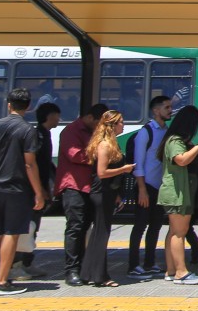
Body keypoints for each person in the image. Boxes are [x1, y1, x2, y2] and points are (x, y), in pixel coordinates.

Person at [0, 88, 45, 296]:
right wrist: (38, 192)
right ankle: (2, 281)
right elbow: (29, 165)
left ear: (9, 104)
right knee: (12, 233)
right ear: (29, 106)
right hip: (17, 187)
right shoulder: (28, 130)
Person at [128, 95, 198, 275]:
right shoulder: (146, 132)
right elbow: (139, 162)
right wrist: (142, 189)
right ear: (156, 110)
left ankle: (150, 262)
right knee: (140, 225)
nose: (170, 111)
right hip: (146, 185)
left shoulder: (167, 131)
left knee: (156, 226)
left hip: (161, 185)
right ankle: (133, 264)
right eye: (167, 108)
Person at [80, 110, 134, 287]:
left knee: (98, 234)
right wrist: (124, 169)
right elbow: (102, 173)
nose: (123, 125)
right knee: (101, 234)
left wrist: (117, 193)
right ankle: (100, 276)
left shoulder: (111, 143)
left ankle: (88, 272)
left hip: (108, 192)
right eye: (121, 122)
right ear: (112, 125)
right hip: (101, 193)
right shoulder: (104, 145)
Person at [56, 103, 106, 286]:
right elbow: (75, 155)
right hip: (74, 185)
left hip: (90, 186)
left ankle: (85, 267)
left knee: (87, 226)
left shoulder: (94, 132)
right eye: (99, 123)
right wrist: (101, 156)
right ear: (91, 118)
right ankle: (71, 270)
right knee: (75, 227)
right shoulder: (71, 131)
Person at [158, 105, 198, 285]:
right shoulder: (174, 140)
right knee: (180, 232)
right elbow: (181, 159)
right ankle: (181, 272)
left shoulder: (172, 140)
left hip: (178, 191)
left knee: (173, 231)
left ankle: (171, 270)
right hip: (177, 192)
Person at [14, 101, 60, 280]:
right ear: (50, 116)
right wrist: (39, 189)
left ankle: (26, 262)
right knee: (27, 227)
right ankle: (16, 265)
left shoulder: (44, 134)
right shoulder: (37, 135)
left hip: (39, 187)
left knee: (33, 227)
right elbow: (33, 164)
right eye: (57, 115)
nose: (59, 119)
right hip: (33, 189)